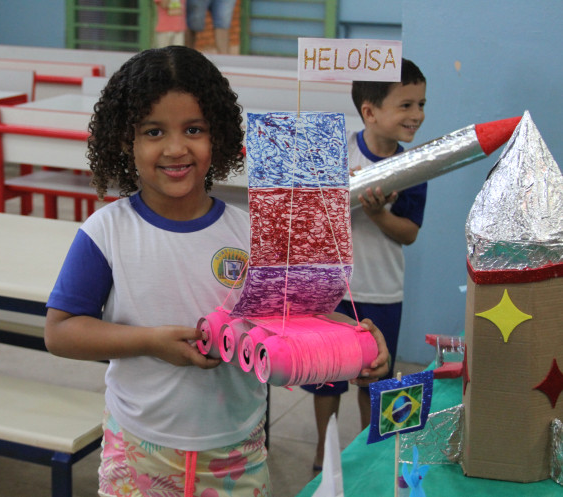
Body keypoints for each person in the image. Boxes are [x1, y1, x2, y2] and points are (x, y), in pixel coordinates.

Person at [44, 45, 391, 496]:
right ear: (124, 141)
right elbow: (60, 332)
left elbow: (299, 319)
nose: (175, 148)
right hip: (138, 450)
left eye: (194, 129)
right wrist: (149, 342)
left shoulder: (251, 230)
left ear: (220, 136)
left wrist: (356, 344)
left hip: (236, 451)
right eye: (153, 132)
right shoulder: (106, 231)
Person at [302, 58, 428, 473]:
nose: (417, 115)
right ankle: (323, 452)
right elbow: (309, 215)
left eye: (421, 104)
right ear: (370, 111)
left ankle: (367, 455)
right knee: (328, 378)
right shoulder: (337, 153)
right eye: (406, 105)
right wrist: (341, 190)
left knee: (376, 377)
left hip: (384, 291)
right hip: (333, 292)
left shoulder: (414, 168)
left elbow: (408, 232)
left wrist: (376, 214)